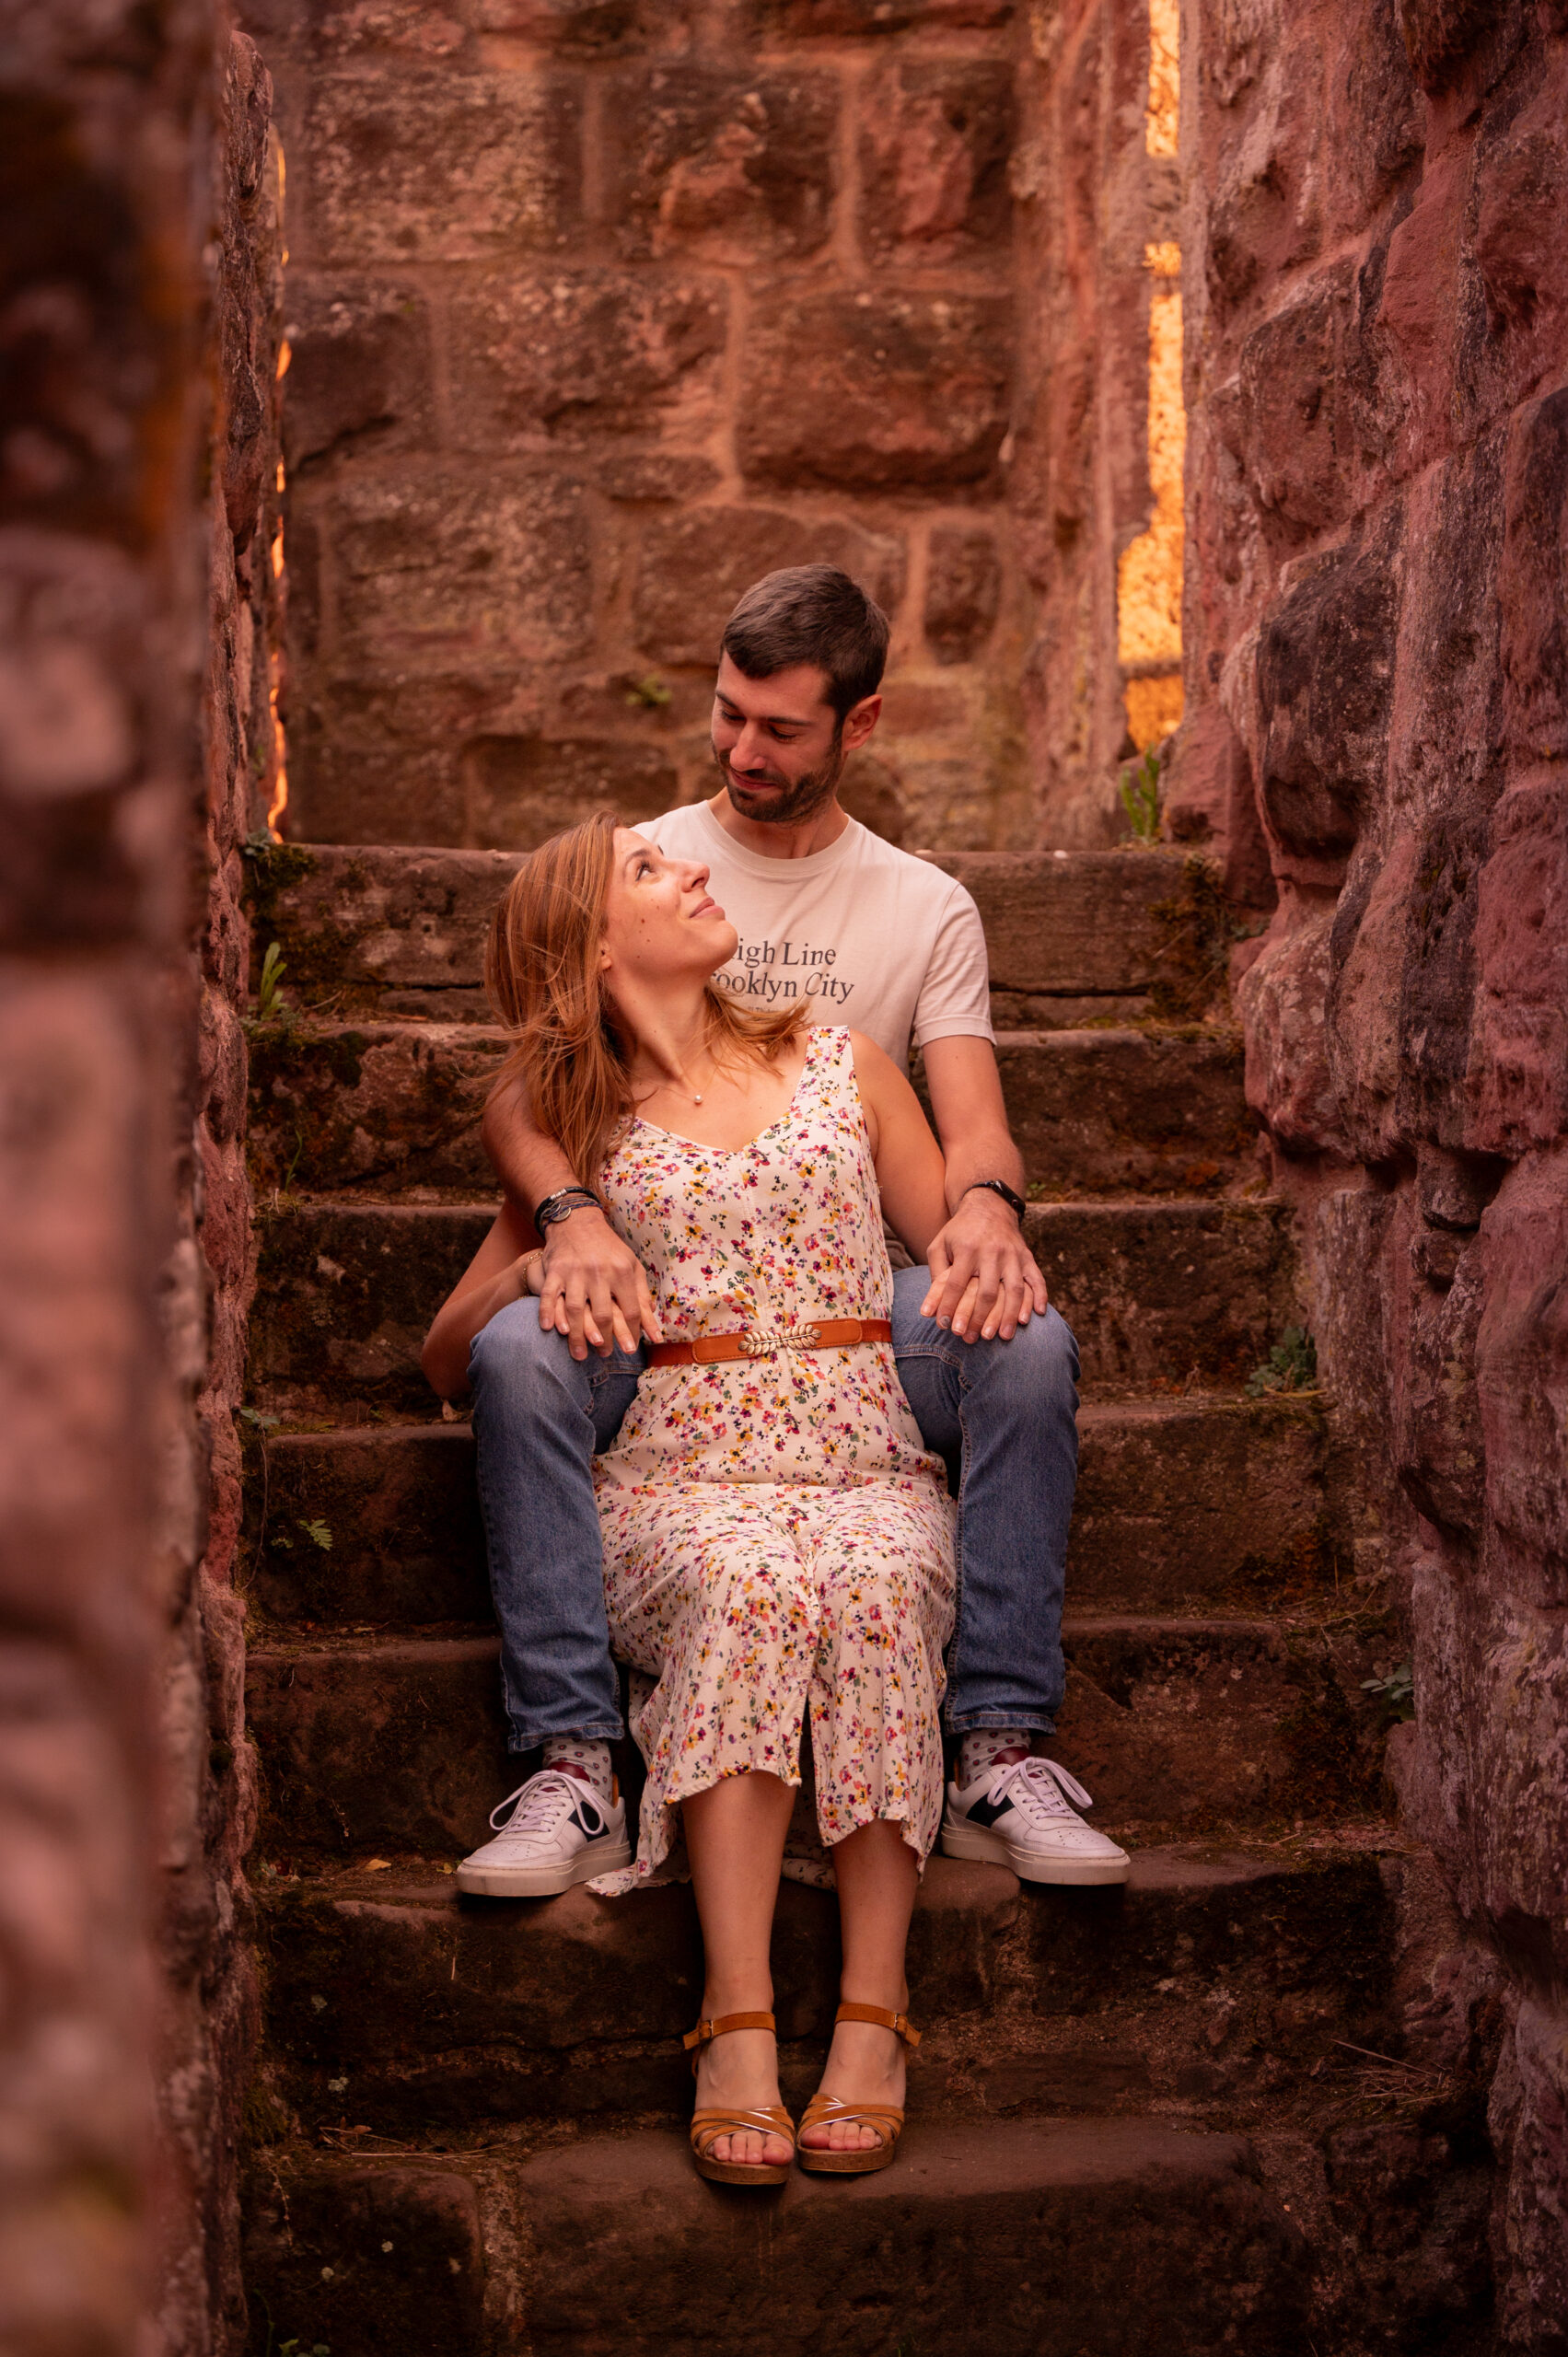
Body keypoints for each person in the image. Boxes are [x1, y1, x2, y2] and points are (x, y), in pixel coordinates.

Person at [421, 563, 1128, 1903]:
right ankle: (568, 1756)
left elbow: (969, 1122)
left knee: (1028, 1347)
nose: (742, 752)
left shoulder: (920, 912)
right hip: (666, 1323)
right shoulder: (654, 869)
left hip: (857, 1308)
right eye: (728, 715)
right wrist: (560, 1218)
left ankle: (998, 1743)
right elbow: (542, 1074)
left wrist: (985, 1214)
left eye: (781, 728)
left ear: (859, 727)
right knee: (520, 1349)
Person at [424, 816, 958, 2181]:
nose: (696, 869)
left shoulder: (845, 1061)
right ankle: (733, 2016)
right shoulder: (574, 1128)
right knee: (751, 1581)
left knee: (878, 1579)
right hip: (682, 1469)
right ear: (593, 947)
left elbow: (956, 1243)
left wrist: (995, 1230)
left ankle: (874, 2018)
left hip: (859, 1444)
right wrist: (546, 1251)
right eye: (651, 873)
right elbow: (446, 1354)